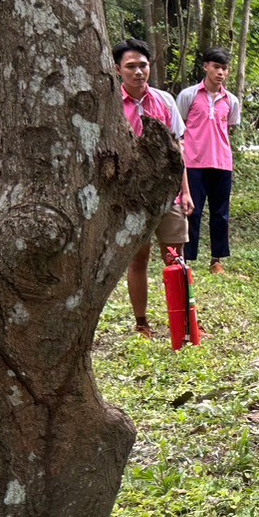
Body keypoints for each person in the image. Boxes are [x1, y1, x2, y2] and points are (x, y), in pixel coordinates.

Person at [114, 38, 193, 340]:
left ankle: (185, 319)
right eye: (131, 66)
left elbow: (178, 147)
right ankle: (142, 322)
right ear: (118, 69)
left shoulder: (164, 101)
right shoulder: (111, 104)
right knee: (138, 259)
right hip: (132, 196)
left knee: (175, 257)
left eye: (143, 65)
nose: (138, 72)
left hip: (167, 192)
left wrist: (185, 191)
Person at [176, 48, 242, 274]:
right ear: (205, 67)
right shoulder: (189, 95)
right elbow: (179, 126)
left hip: (222, 162)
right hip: (193, 162)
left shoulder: (231, 100)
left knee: (221, 213)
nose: (220, 72)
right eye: (216, 67)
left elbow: (229, 128)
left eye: (224, 68)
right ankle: (187, 259)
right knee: (191, 211)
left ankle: (217, 260)